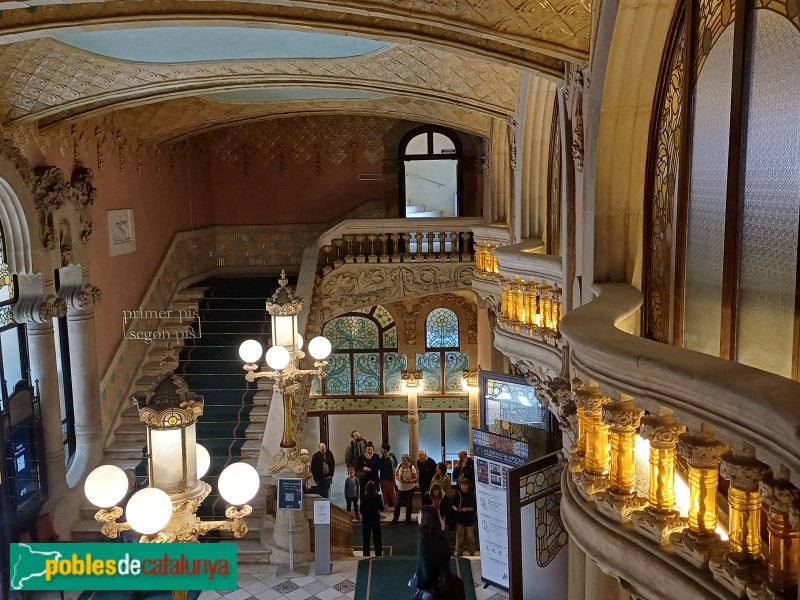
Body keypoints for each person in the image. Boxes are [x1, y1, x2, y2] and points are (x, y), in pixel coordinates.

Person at [408, 505, 455, 600]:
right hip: (445, 582)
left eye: (420, 514)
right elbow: (447, 557)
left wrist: (415, 582)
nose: (417, 516)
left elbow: (426, 574)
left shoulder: (424, 542)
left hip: (432, 589)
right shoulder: (443, 536)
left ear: (425, 519)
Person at [452, 478, 477, 556]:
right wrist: (455, 508)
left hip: (469, 518)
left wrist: (466, 509)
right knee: (460, 536)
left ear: (468, 486)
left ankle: (471, 551)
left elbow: (474, 507)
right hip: (460, 518)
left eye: (465, 485)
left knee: (470, 537)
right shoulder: (457, 494)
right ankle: (459, 551)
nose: (463, 487)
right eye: (462, 485)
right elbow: (453, 504)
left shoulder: (471, 495)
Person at [360, 480, 384, 557]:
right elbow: (381, 509)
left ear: (366, 488)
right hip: (375, 519)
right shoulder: (378, 497)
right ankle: (378, 553)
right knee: (377, 537)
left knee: (366, 538)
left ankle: (366, 554)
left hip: (366, 519)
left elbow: (361, 510)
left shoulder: (363, 497)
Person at [392, 453, 417, 524]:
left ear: (407, 460)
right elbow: (396, 475)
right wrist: (399, 479)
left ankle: (408, 520)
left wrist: (408, 481)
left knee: (409, 504)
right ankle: (395, 519)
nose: (403, 461)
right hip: (401, 488)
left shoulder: (412, 467)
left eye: (404, 460)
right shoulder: (399, 466)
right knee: (398, 504)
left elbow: (415, 478)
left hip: (409, 488)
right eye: (402, 460)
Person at [379, 443, 398, 508]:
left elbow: (394, 469)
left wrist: (394, 479)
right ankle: (385, 504)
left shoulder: (391, 457)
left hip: (390, 479)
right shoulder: (382, 458)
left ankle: (396, 506)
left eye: (381, 449)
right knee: (384, 493)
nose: (380, 450)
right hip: (382, 479)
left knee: (392, 494)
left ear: (385, 450)